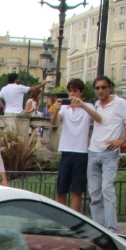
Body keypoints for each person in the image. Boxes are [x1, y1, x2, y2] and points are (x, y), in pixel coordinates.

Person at [85, 76, 126, 232]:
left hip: (109, 153)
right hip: (93, 152)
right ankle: (99, 227)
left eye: (104, 87)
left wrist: (123, 140)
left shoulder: (120, 103)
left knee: (107, 189)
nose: (101, 91)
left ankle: (111, 229)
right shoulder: (96, 104)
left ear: (110, 87)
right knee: (94, 192)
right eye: (97, 88)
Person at [51, 77, 98, 213]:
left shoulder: (88, 107)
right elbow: (54, 123)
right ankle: (62, 217)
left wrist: (82, 105)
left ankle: (74, 218)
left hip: (81, 152)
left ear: (81, 92)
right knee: (61, 188)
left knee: (77, 189)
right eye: (70, 91)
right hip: (66, 151)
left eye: (75, 91)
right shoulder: (64, 108)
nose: (72, 94)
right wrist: (56, 110)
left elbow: (97, 118)